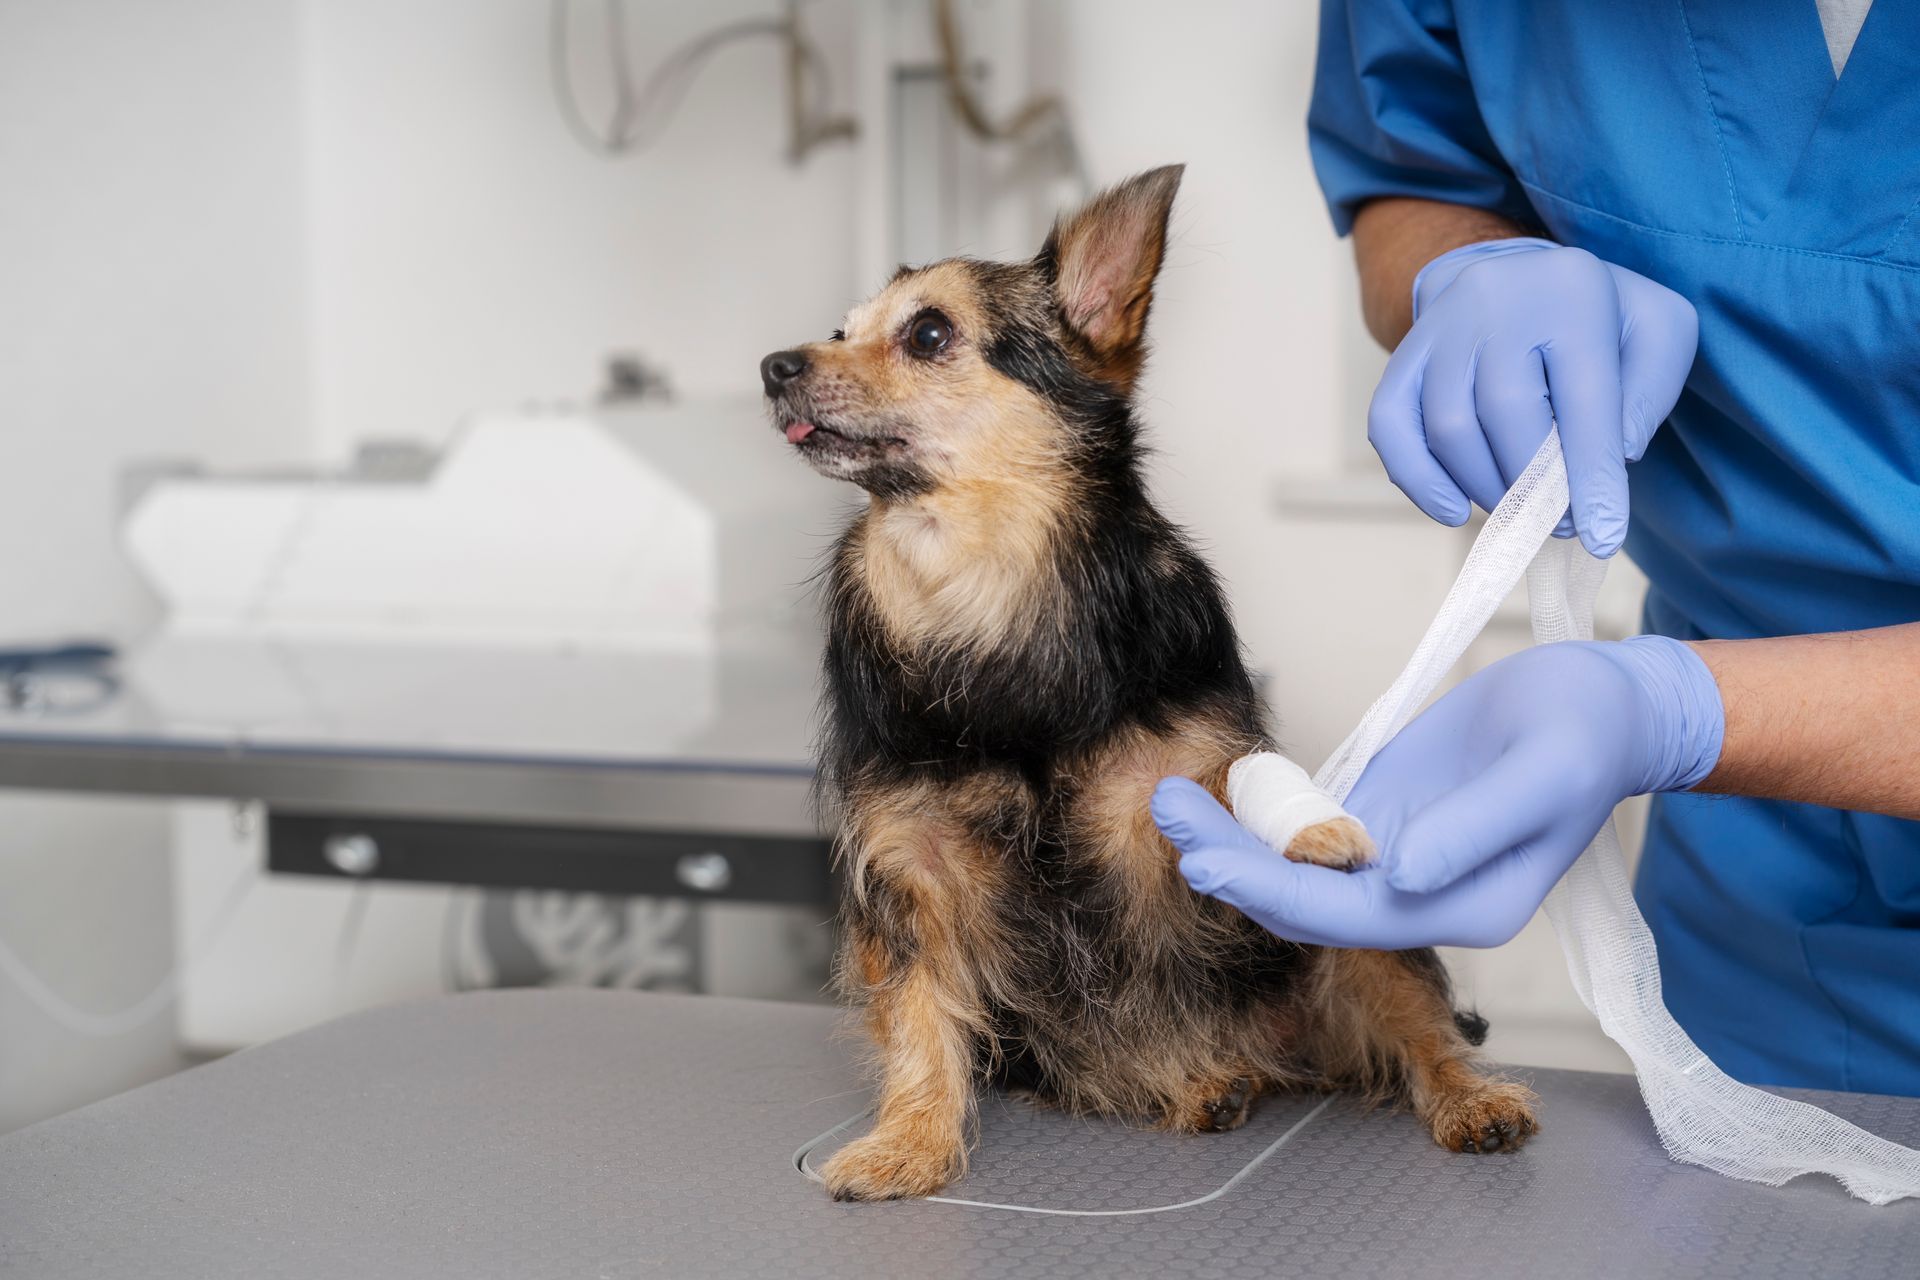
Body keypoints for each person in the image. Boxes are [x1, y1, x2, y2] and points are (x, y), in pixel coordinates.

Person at [1153, 0, 1920, 1095]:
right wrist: (1470, 265)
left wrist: (1675, 713)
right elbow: (1414, 168)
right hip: (1761, 903)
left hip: (1716, 729)